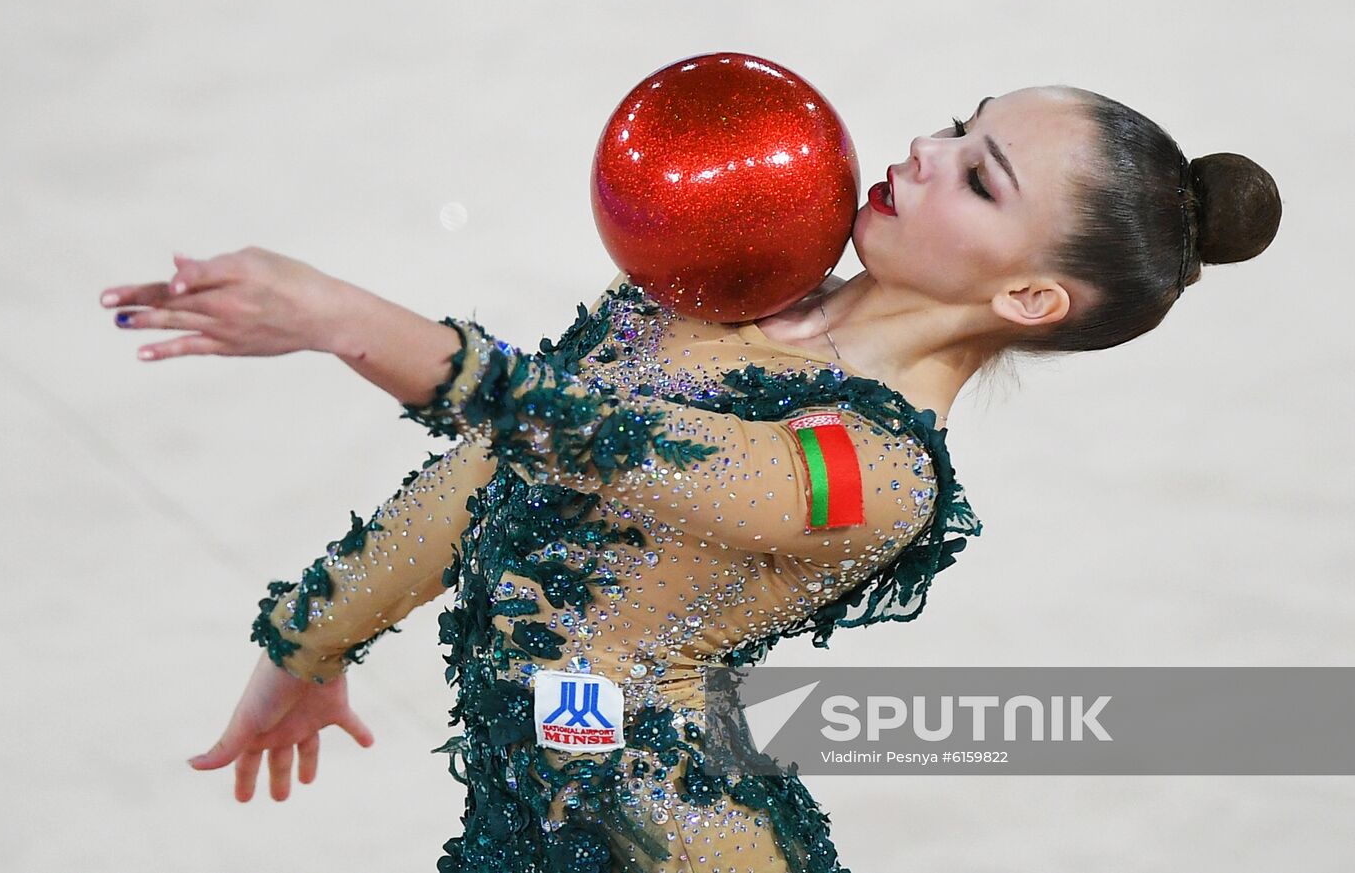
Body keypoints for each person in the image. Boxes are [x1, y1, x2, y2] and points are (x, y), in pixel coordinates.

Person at [101, 85, 1281, 873]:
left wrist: (339, 317)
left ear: (1029, 297)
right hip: (541, 803)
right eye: (954, 125)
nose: (922, 153)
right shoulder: (720, 291)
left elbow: (590, 441)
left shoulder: (870, 469)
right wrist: (305, 645)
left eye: (978, 179)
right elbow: (492, 471)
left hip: (667, 842)